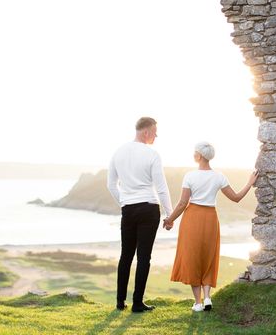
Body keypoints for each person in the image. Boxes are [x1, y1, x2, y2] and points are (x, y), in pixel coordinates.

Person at [163, 141, 258, 312]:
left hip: (193, 218)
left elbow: (182, 203)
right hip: (210, 218)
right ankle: (207, 297)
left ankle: (198, 302)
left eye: (194, 152)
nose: (193, 154)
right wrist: (249, 183)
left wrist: (170, 220)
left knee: (192, 258)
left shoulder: (190, 176)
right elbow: (236, 198)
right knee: (208, 256)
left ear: (199, 155)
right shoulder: (219, 176)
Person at [107, 117, 173, 313]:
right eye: (155, 132)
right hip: (148, 208)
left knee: (125, 256)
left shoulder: (118, 152)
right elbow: (161, 188)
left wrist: (124, 201)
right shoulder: (152, 154)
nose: (156, 136)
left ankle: (120, 302)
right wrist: (169, 214)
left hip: (128, 209)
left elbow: (111, 185)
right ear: (146, 132)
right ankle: (137, 303)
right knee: (144, 257)